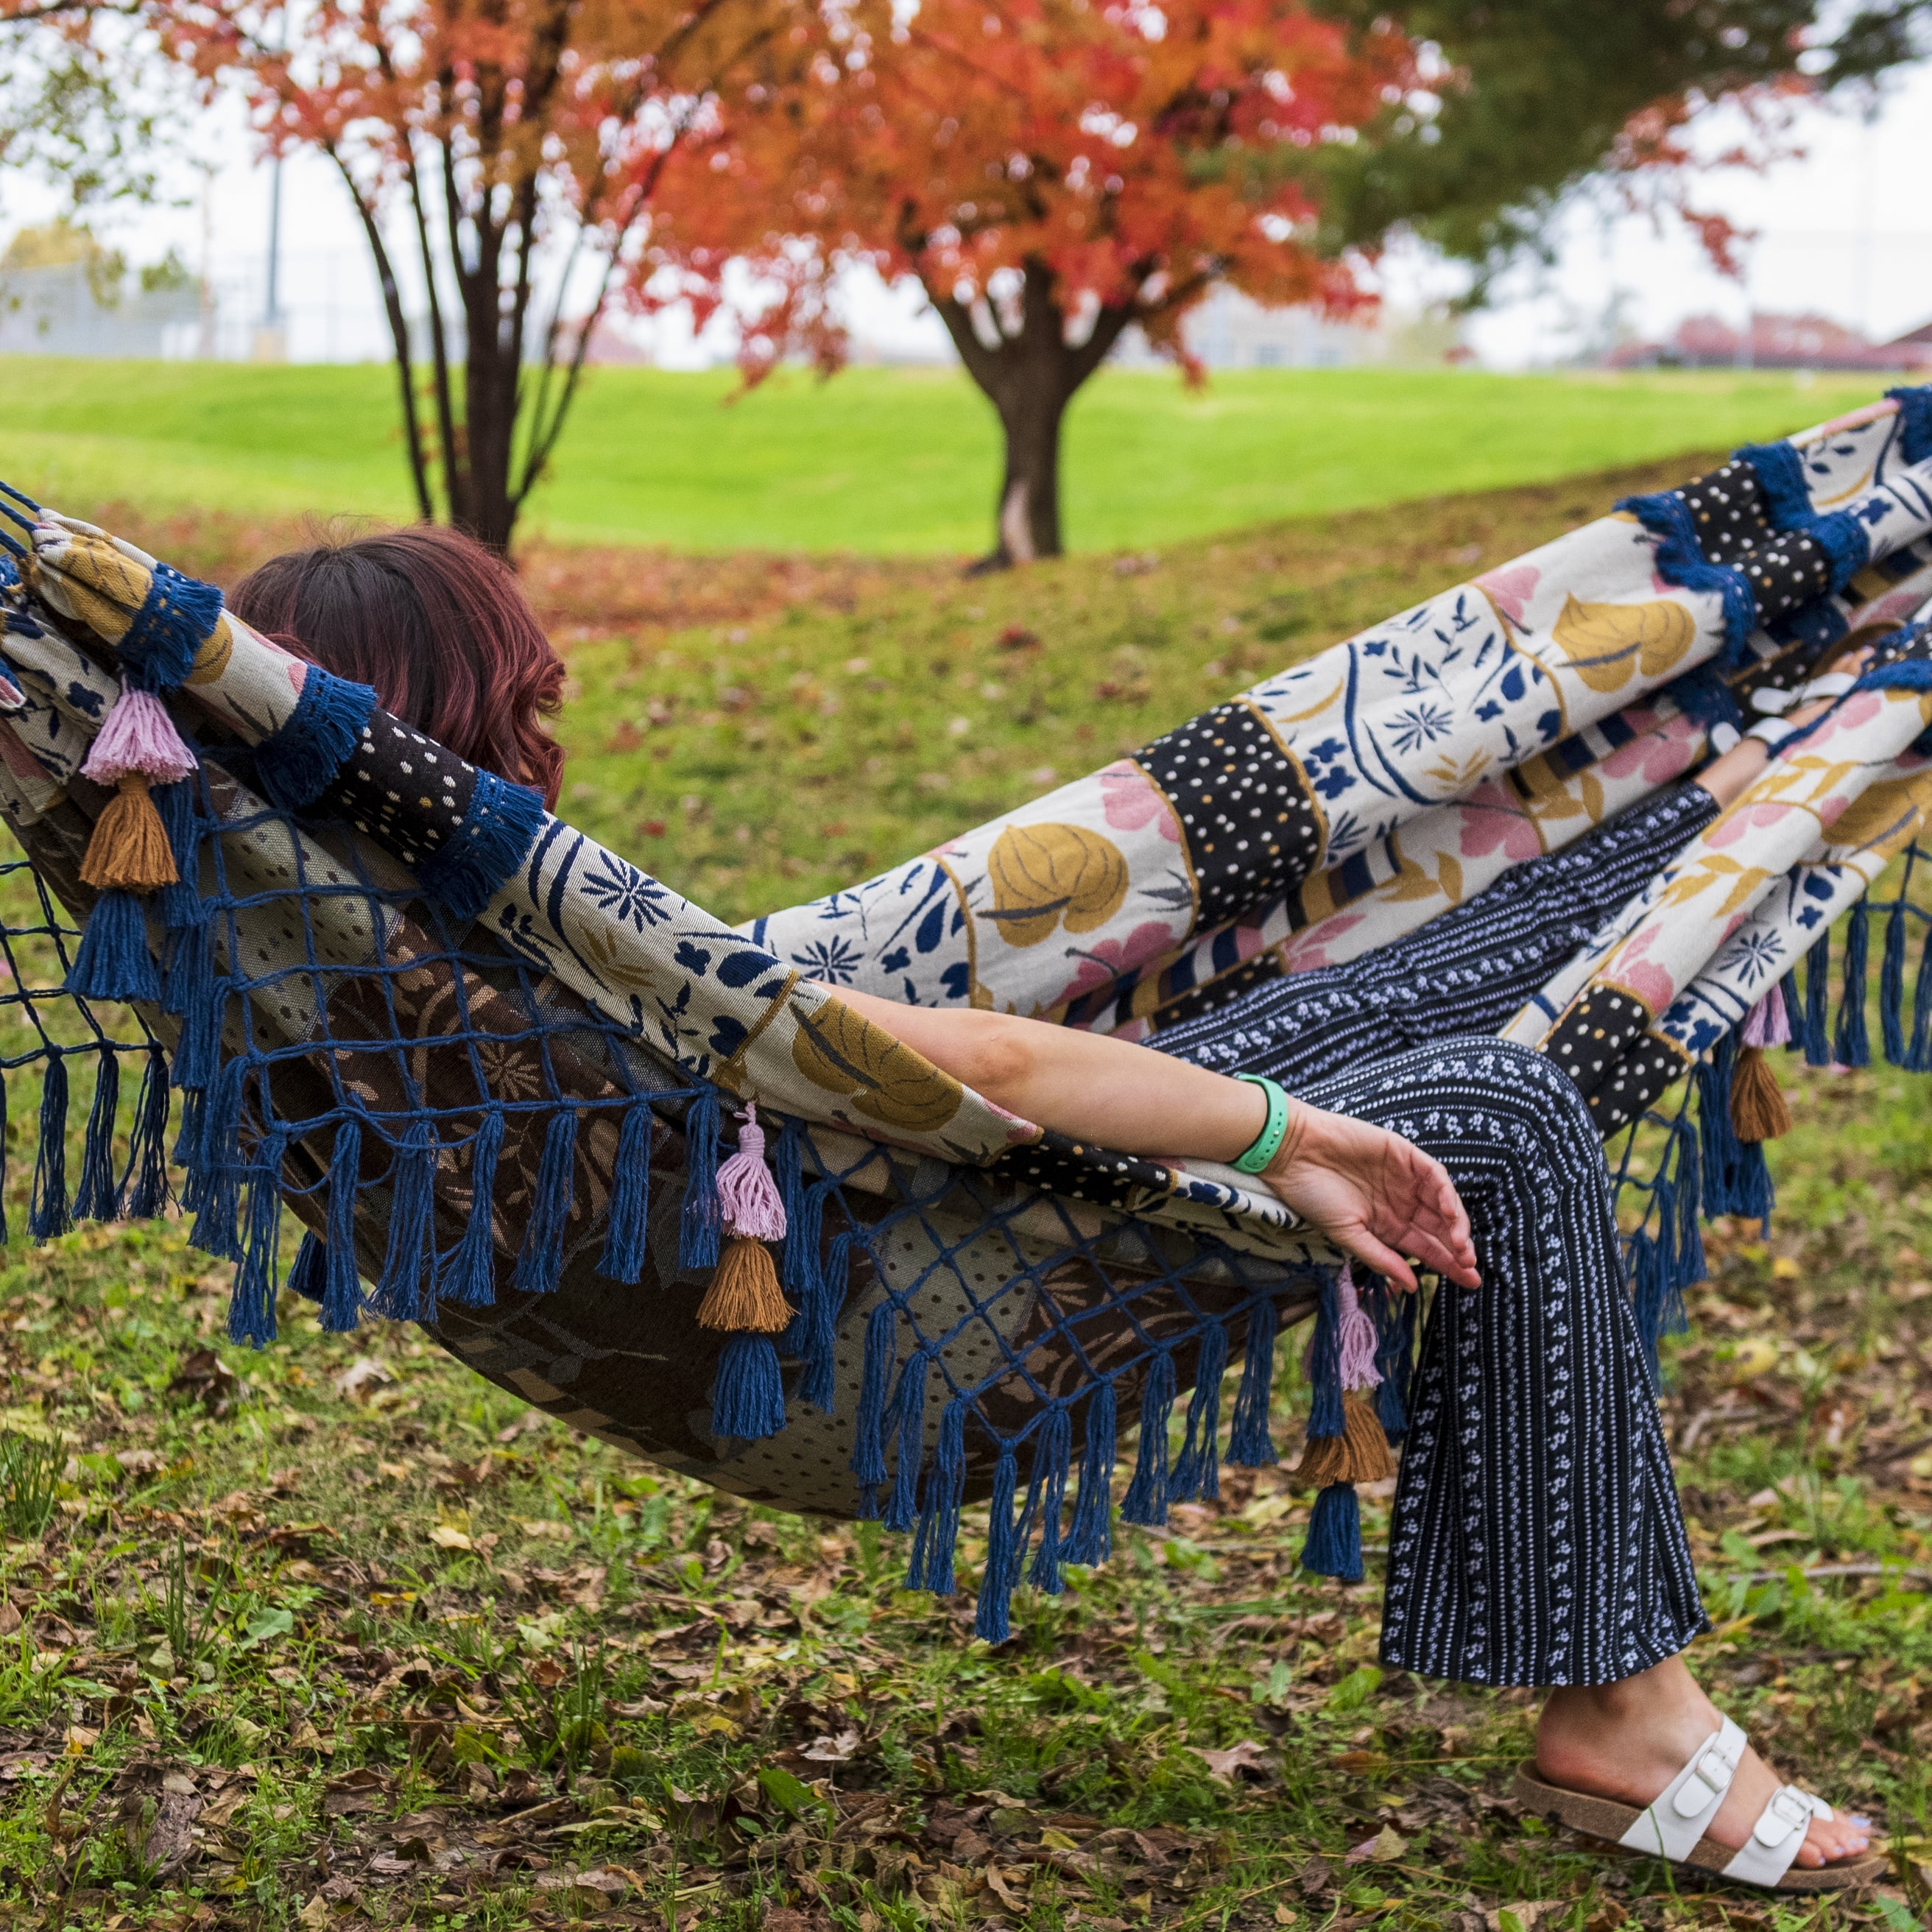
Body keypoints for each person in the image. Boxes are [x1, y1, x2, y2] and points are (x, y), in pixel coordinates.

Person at [230, 526, 1878, 1889]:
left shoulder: (359, 963)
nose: (552, 713)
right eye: (531, 685)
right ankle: (1625, 1707)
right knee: (1496, 1092)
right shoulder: (525, 938)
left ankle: (1726, 775)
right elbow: (965, 1051)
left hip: (872, 1249)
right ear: (466, 708)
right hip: (912, 1289)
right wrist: (1271, 1131)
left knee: (1459, 1020)